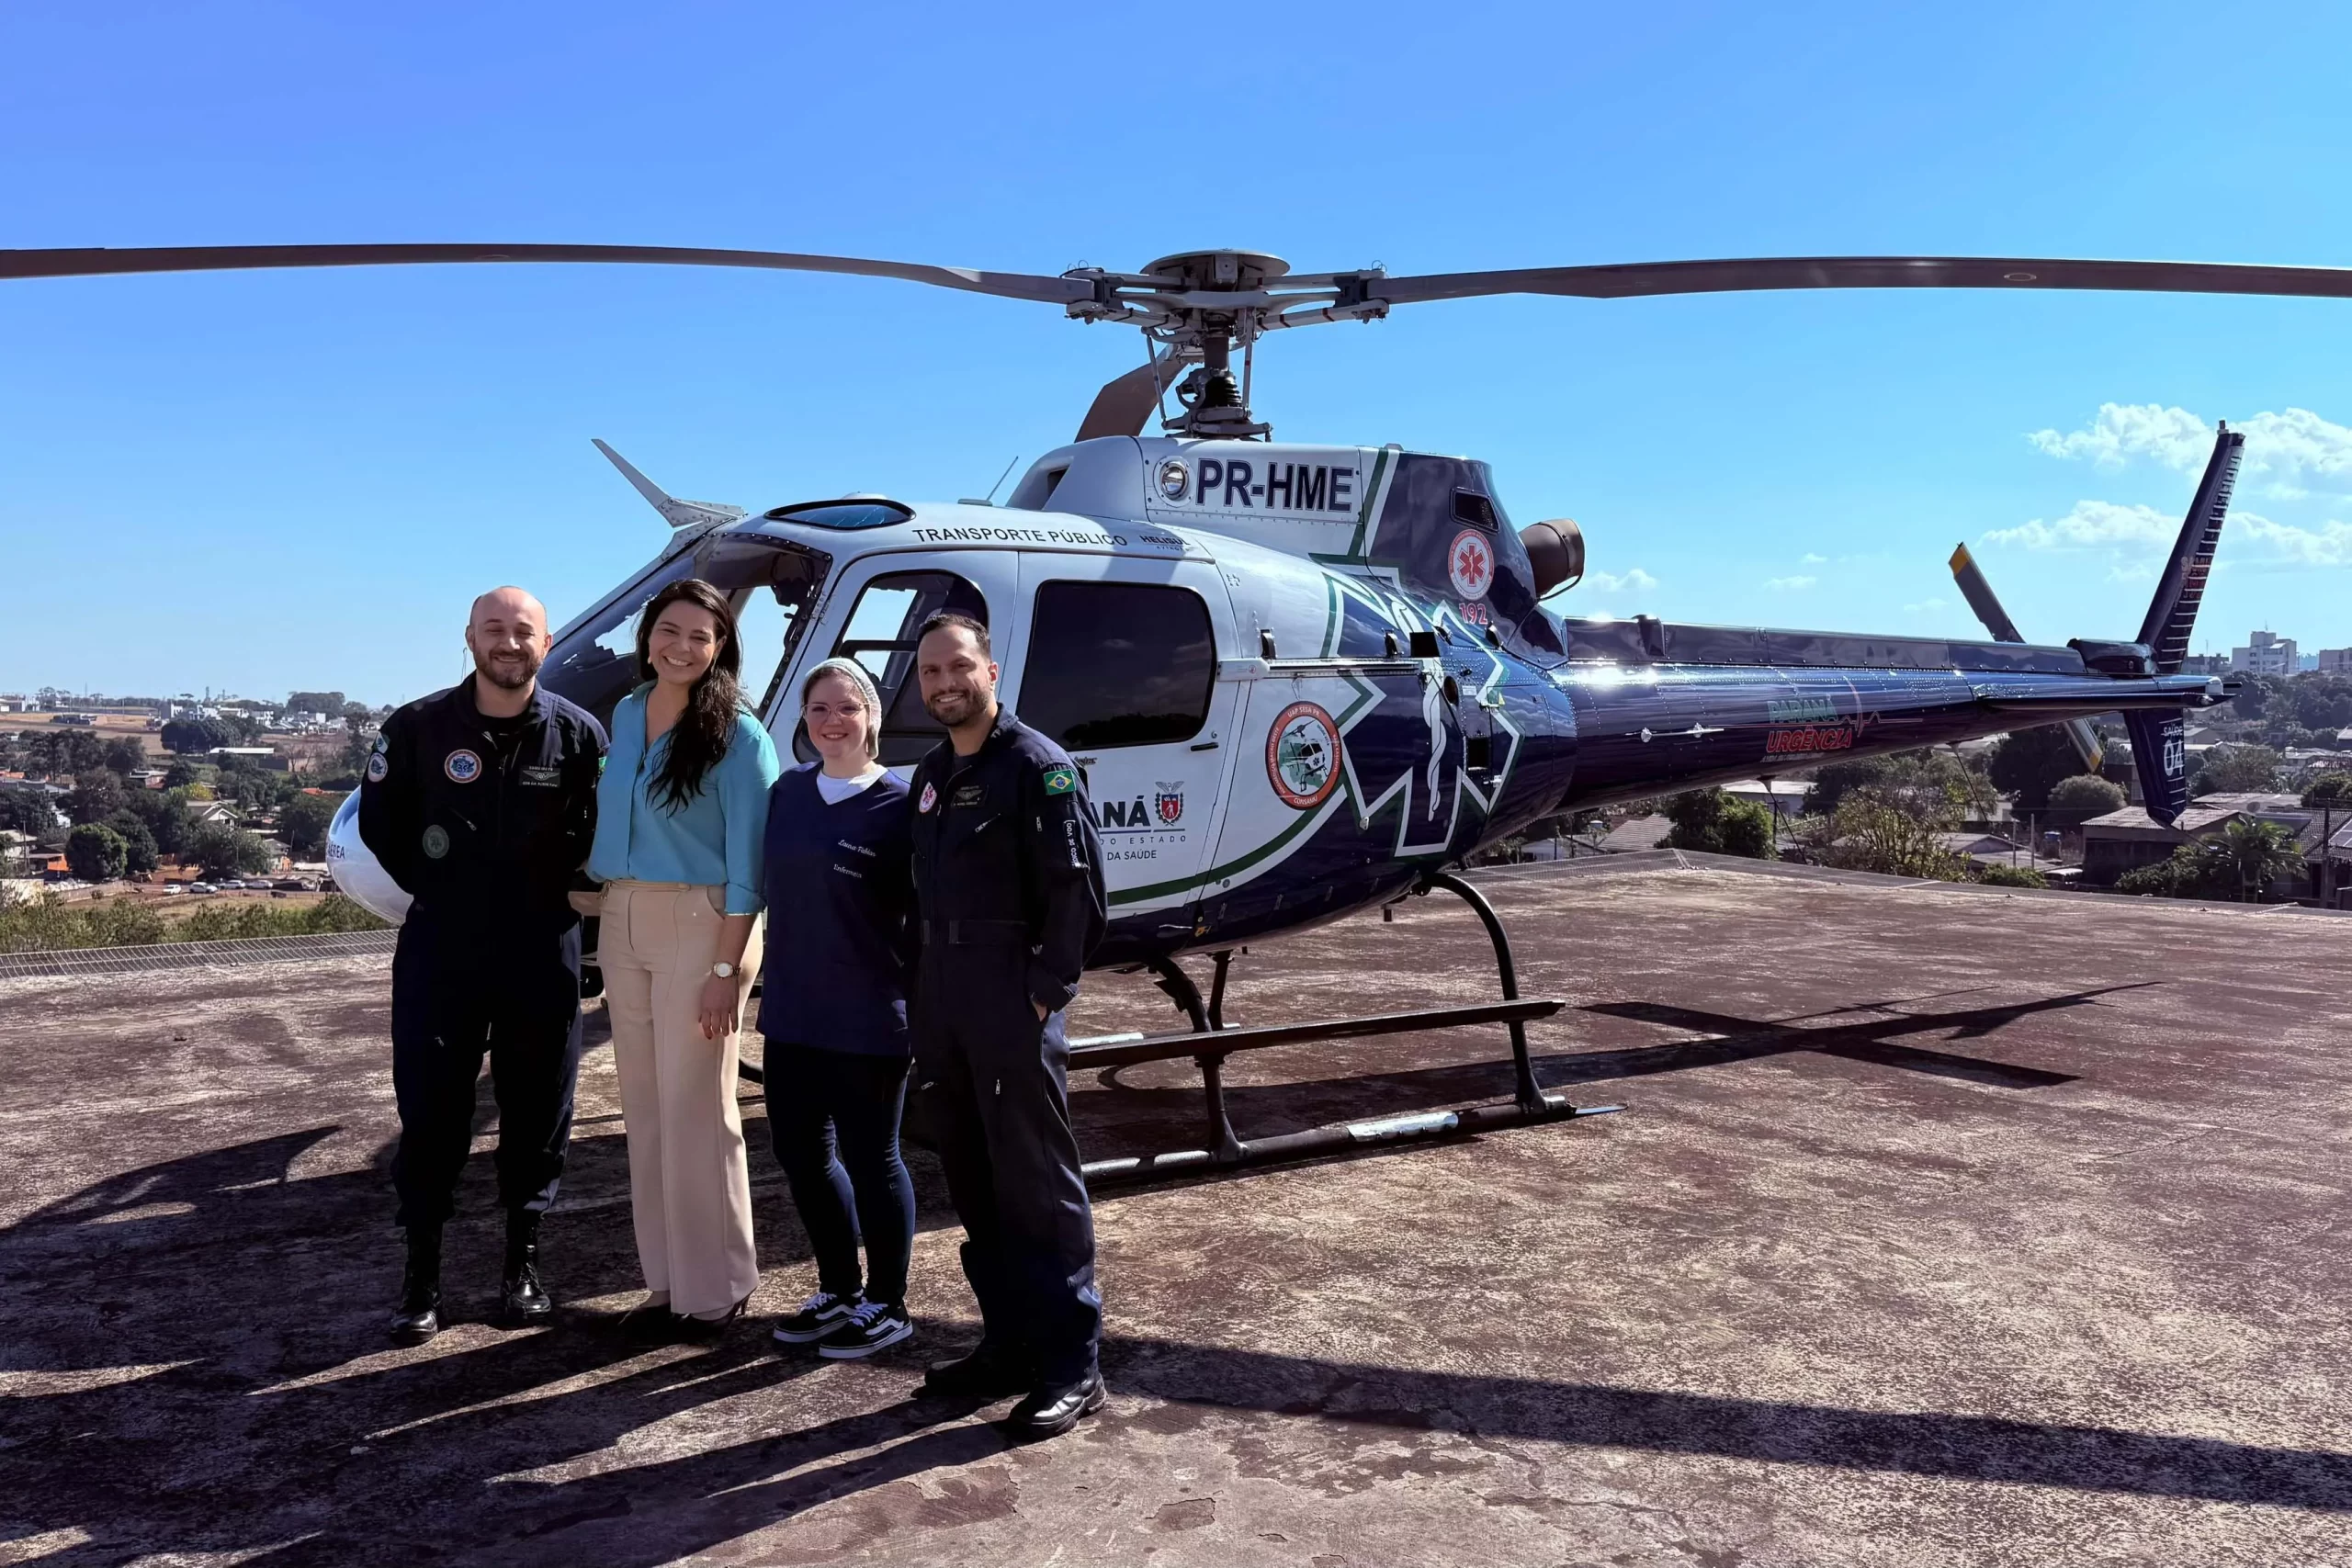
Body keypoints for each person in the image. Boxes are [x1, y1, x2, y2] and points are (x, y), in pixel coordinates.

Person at [357, 586, 607, 1344]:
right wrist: (446, 889)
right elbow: (382, 824)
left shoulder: (580, 735)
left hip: (542, 948)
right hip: (444, 947)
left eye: (523, 630)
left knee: (539, 1110)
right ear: (469, 637)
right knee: (431, 1110)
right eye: (493, 628)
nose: (508, 642)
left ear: (546, 642)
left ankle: (521, 1266)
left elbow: (603, 831)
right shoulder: (417, 727)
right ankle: (421, 1275)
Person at [905, 611, 1109, 1440]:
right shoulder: (930, 774)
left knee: (1036, 1183)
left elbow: (1076, 890)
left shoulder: (1037, 766)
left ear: (990, 671)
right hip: (943, 999)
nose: (944, 682)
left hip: (1009, 1000)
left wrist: (1045, 990)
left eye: (959, 666)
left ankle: (1072, 1363)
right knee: (973, 1178)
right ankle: (1009, 1342)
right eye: (930, 672)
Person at [586, 578, 781, 1342]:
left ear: (721, 647)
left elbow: (750, 867)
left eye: (702, 635)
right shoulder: (627, 712)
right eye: (669, 629)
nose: (682, 646)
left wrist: (727, 971)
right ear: (647, 637)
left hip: (705, 924)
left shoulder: (739, 734)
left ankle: (719, 1287)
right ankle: (668, 1282)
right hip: (624, 914)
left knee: (698, 1108)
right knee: (646, 1109)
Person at [758, 657, 918, 1359]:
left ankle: (888, 1301)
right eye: (819, 707)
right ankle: (840, 1288)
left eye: (848, 707)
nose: (832, 721)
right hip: (793, 1011)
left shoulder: (900, 803)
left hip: (869, 1016)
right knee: (801, 1154)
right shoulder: (788, 792)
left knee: (874, 1158)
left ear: (872, 717)